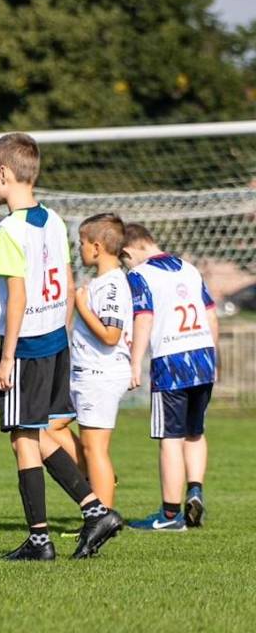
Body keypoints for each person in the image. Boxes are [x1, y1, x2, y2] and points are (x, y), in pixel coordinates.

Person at [0, 132, 123, 560]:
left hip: (25, 345)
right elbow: (66, 281)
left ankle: (41, 538)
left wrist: (7, 356)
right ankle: (94, 511)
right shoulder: (56, 220)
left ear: (4, 174)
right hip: (54, 340)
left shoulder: (8, 229)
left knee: (22, 438)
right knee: (36, 432)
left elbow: (18, 296)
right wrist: (61, 332)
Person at [121, 223, 218, 531]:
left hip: (171, 360)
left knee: (170, 438)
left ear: (128, 251)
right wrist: (212, 356)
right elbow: (210, 313)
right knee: (195, 432)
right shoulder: (188, 268)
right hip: (203, 354)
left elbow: (144, 317)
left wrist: (135, 362)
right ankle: (195, 491)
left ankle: (170, 515)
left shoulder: (140, 274)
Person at [68, 213, 132, 511]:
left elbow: (110, 335)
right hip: (86, 373)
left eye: (81, 242)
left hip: (100, 374)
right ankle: (99, 478)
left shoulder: (112, 285)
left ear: (96, 247)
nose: (79, 249)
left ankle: (102, 517)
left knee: (95, 448)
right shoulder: (100, 282)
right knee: (50, 426)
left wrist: (81, 307)